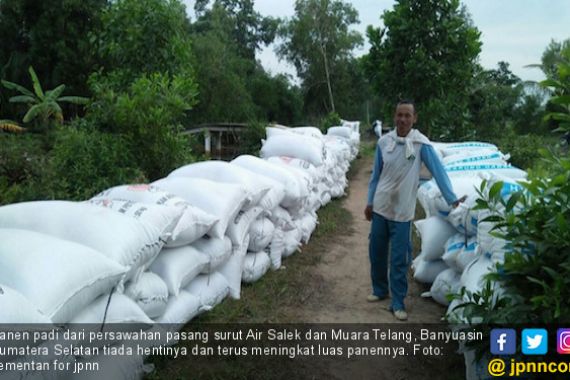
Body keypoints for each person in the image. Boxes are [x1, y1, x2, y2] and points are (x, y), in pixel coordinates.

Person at [364, 100, 465, 321]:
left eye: (407, 115)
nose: (402, 119)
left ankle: (397, 302)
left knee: (399, 258)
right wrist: (369, 202)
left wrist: (452, 199)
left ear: (414, 118)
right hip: (381, 207)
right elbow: (375, 177)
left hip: (402, 212)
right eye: (399, 115)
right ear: (394, 116)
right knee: (377, 251)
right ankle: (380, 289)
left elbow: (438, 171)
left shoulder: (420, 144)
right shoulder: (384, 142)